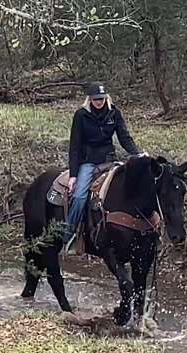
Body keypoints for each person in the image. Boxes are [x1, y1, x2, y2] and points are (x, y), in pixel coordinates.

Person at [63, 82, 146, 252]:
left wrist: (136, 154)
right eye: (95, 99)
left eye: (101, 98)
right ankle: (69, 234)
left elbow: (124, 137)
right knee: (79, 197)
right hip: (88, 161)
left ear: (106, 97)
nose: (99, 102)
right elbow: (75, 146)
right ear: (90, 99)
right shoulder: (81, 115)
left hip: (109, 159)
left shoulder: (114, 113)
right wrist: (73, 174)